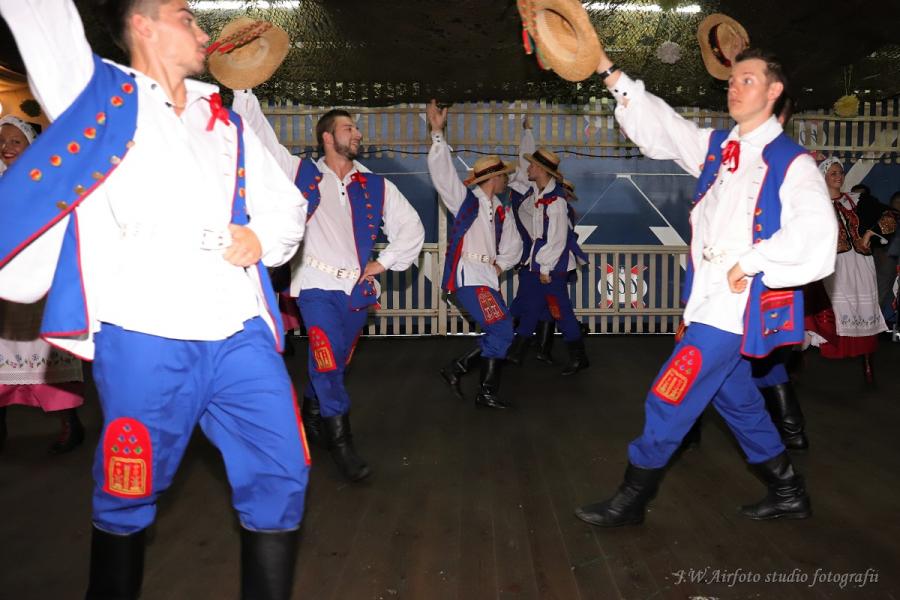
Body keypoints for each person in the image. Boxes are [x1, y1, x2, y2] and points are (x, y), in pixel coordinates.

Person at [0, 1, 311, 598]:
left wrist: (262, 237)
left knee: (283, 469)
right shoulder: (96, 93)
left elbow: (287, 206)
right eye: (185, 15)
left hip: (238, 326)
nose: (201, 29)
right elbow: (45, 16)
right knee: (129, 483)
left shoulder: (226, 123)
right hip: (142, 328)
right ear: (143, 25)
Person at [575, 47, 837, 528]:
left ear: (774, 91)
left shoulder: (792, 162)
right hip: (708, 300)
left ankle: (631, 500)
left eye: (748, 80)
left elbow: (819, 234)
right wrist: (610, 73)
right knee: (736, 400)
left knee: (669, 395)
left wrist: (754, 261)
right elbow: (665, 127)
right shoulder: (719, 148)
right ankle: (788, 491)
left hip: (738, 306)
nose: (734, 87)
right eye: (732, 80)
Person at [231, 89, 424, 481]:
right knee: (329, 362)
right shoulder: (300, 173)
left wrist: (383, 263)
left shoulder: (375, 185)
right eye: (349, 128)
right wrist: (242, 89)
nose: (358, 134)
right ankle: (342, 444)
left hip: (354, 292)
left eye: (356, 129)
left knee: (333, 362)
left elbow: (411, 227)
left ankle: (312, 415)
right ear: (327, 137)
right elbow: (260, 138)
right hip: (314, 287)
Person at [425, 100, 521, 409]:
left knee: (501, 329)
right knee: (502, 328)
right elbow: (443, 176)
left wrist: (499, 266)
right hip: (468, 276)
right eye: (503, 176)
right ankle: (482, 390)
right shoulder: (466, 201)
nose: (506, 180)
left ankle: (458, 370)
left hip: (486, 277)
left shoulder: (500, 210)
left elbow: (513, 245)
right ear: (493, 178)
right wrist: (437, 134)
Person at [0, 115, 86, 455]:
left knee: (47, 358)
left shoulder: (47, 182)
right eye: (2, 141)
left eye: (15, 141)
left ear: (30, 146)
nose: (6, 147)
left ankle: (70, 424)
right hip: (4, 286)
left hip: (39, 284)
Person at [506, 120, 590, 375]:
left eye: (532, 165)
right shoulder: (541, 196)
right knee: (531, 306)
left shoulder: (555, 202)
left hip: (550, 267)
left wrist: (545, 268)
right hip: (541, 264)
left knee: (558, 310)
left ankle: (577, 357)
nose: (528, 168)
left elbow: (556, 238)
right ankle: (516, 352)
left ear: (542, 170)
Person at [805, 159, 896, 383]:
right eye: (833, 173)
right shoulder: (813, 203)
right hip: (832, 265)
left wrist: (870, 233)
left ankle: (868, 365)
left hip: (860, 262)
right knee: (829, 311)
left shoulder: (857, 200)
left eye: (841, 172)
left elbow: (891, 215)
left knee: (864, 309)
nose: (839, 176)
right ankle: (799, 364)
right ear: (823, 176)